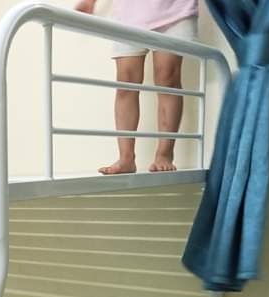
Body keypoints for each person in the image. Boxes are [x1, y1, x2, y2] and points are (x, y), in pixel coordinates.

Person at [75, 0, 199, 174]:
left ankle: (164, 154)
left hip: (175, 10)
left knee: (167, 78)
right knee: (126, 82)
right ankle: (126, 158)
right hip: (129, 13)